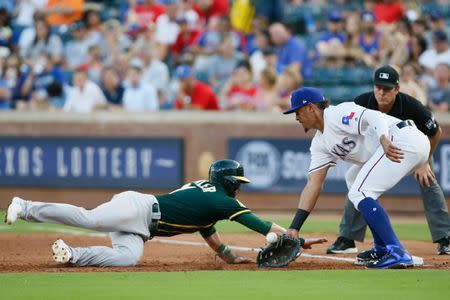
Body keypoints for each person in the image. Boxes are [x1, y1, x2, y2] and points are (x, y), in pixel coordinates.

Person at [4, 159, 325, 267]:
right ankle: (26, 206)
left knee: (127, 258)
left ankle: (73, 255)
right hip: (139, 210)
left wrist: (226, 254)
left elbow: (206, 227)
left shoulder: (207, 191)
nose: (238, 188)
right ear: (227, 181)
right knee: (89, 218)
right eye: (237, 182)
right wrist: (296, 236)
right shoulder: (224, 201)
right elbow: (261, 225)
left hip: (141, 222)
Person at [284, 86, 431, 269]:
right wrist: (294, 227)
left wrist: (384, 138)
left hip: (401, 139)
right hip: (397, 147)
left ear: (311, 108)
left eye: (297, 111)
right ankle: (382, 248)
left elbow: (374, 116)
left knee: (360, 191)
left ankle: (397, 251)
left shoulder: (337, 114)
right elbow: (313, 184)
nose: (296, 117)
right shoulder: (320, 143)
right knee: (353, 179)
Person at [326, 65, 450, 256]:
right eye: (378, 87)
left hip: (413, 148)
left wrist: (424, 162)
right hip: (378, 149)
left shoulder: (411, 105)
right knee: (358, 181)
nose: (382, 93)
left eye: (387, 88)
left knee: (429, 181)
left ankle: (445, 238)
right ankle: (347, 238)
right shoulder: (362, 102)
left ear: (397, 89)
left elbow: (436, 132)